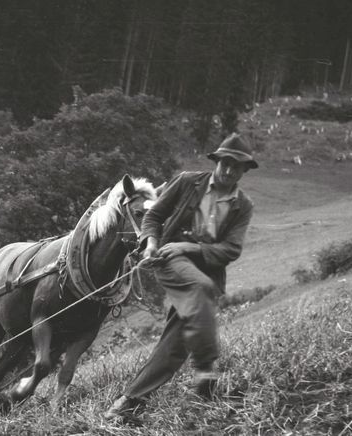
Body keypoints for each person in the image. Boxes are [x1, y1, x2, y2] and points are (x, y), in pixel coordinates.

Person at [105, 132, 257, 420]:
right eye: (224, 163)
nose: (228, 170)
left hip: (198, 263)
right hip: (169, 257)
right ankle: (206, 369)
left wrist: (189, 246)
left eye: (236, 166)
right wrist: (151, 243)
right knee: (202, 287)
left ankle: (127, 404)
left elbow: (231, 249)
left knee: (178, 342)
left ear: (245, 170)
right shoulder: (189, 181)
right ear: (217, 162)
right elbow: (153, 216)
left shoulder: (243, 205)